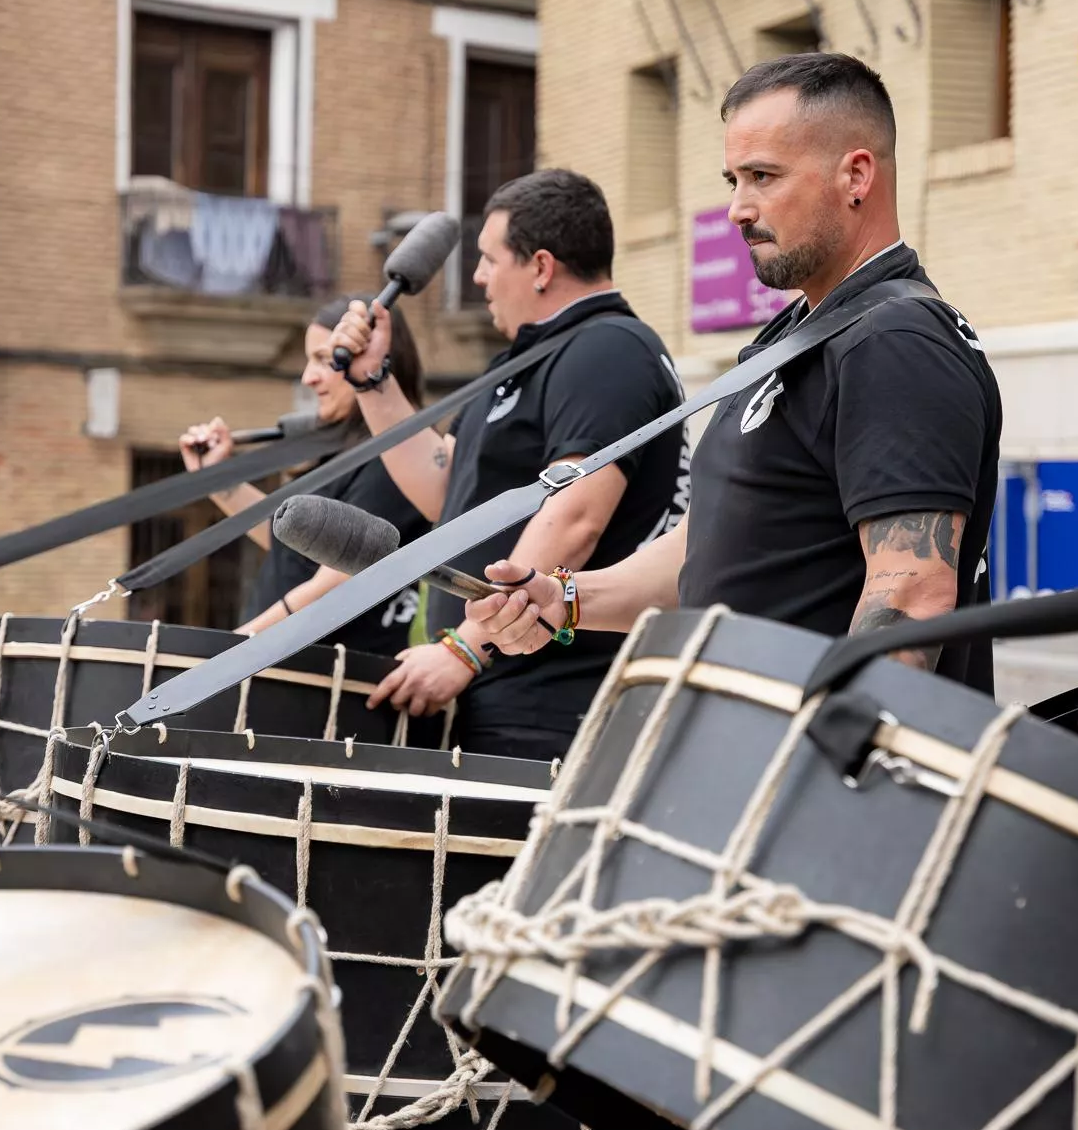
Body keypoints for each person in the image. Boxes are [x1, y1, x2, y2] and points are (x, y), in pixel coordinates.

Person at [463, 54, 1002, 689]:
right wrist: (566, 599)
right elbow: (707, 548)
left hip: (797, 742)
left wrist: (830, 739)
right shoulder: (804, 333)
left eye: (763, 176)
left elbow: (910, 592)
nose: (738, 210)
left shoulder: (894, 340)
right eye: (734, 181)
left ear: (855, 175)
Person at [331, 169, 689, 761]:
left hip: (555, 701)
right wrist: (374, 381)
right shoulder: (533, 359)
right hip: (505, 687)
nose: (478, 277)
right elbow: (447, 493)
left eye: (489, 259)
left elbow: (576, 514)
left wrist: (466, 647)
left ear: (541, 267)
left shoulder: (608, 349)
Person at [179, 298, 431, 657]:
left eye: (324, 360)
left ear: (375, 358)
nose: (308, 378)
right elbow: (294, 547)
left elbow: (334, 583)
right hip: (290, 666)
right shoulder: (347, 450)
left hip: (330, 674)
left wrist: (228, 651)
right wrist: (217, 478)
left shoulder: (399, 455)